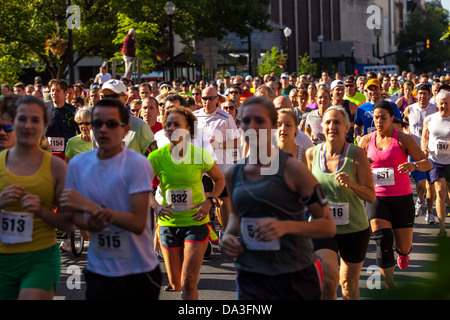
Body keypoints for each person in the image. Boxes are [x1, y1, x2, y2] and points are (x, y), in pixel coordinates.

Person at [220, 96, 336, 300]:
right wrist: (229, 237)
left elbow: (327, 225)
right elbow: (237, 218)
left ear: (273, 126)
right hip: (251, 275)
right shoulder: (233, 174)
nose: (252, 126)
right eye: (246, 121)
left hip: (293, 276)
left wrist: (286, 227)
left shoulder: (294, 169)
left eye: (260, 121)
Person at [60, 98, 161, 300]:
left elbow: (136, 222)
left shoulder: (137, 164)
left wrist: (90, 209)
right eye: (97, 123)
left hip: (138, 270)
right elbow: (74, 218)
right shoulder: (79, 164)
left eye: (112, 124)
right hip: (100, 269)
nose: (103, 129)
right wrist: (85, 220)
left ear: (125, 130)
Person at [0, 95, 73, 300]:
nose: (28, 125)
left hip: (40, 258)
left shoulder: (56, 167)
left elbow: (69, 224)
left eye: (35, 120)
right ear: (13, 122)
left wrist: (41, 211)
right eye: (22, 119)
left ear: (44, 126)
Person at [148, 106, 225, 299]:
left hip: (195, 221)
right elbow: (140, 186)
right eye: (168, 125)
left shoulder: (199, 155)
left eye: (176, 124)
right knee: (176, 283)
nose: (171, 128)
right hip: (168, 224)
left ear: (188, 128)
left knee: (189, 280)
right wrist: (156, 206)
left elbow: (220, 180)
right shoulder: (156, 156)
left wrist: (210, 202)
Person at [358, 100, 431, 289]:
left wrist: (414, 165)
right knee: (382, 240)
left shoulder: (403, 140)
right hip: (376, 198)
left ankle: (404, 254)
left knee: (403, 246)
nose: (379, 121)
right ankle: (390, 286)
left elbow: (426, 162)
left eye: (384, 118)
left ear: (392, 119)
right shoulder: (365, 141)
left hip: (401, 198)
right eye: (376, 118)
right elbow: (355, 168)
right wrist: (361, 165)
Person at [305, 106, 375, 300]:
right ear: (322, 126)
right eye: (327, 122)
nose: (332, 126)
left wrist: (352, 185)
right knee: (327, 279)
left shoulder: (357, 154)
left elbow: (370, 196)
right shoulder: (311, 154)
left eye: (337, 122)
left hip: (353, 228)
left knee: (348, 284)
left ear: (347, 127)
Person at [194, 86, 241, 233]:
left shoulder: (225, 117)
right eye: (204, 98)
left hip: (220, 166)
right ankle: (206, 236)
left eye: (211, 98)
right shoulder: (194, 116)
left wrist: (218, 145)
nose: (207, 101)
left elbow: (237, 142)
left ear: (217, 99)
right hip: (201, 166)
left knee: (223, 201)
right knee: (203, 201)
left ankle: (225, 232)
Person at [403, 84, 437, 222]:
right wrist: (406, 132)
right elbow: (404, 124)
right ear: (416, 95)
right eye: (420, 94)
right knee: (421, 183)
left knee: (431, 184)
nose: (422, 96)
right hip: (415, 151)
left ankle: (429, 213)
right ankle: (420, 200)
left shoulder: (435, 109)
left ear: (430, 95)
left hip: (432, 152)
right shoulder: (410, 109)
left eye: (425, 93)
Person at [421, 90, 450, 237]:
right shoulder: (430, 119)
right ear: (437, 103)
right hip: (436, 160)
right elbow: (425, 136)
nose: (444, 106)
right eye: (441, 103)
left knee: (449, 194)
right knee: (439, 191)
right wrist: (424, 148)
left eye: (446, 103)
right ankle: (442, 228)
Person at [354, 79, 402, 143]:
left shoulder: (392, 106)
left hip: (388, 143)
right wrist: (358, 135)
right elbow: (357, 125)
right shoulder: (361, 108)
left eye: (375, 89)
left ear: (381, 89)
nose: (373, 92)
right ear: (367, 91)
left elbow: (400, 126)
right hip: (369, 145)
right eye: (370, 89)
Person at [45, 79, 79, 160]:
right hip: (49, 155)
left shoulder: (73, 111)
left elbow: (81, 133)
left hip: (68, 155)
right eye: (52, 90)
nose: (54, 93)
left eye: (58, 91)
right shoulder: (44, 111)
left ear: (65, 93)